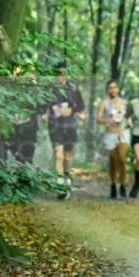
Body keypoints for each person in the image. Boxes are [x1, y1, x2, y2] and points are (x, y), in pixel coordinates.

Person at [47, 67, 86, 200]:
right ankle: (60, 186)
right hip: (55, 126)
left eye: (63, 74)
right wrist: (45, 114)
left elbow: (81, 106)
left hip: (70, 126)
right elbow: (43, 107)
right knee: (58, 155)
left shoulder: (73, 89)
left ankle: (66, 180)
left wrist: (72, 109)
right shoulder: (50, 90)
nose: (61, 77)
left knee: (67, 159)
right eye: (58, 74)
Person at [97, 80, 129, 199]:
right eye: (110, 88)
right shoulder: (104, 103)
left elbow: (129, 119)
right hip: (110, 134)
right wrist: (107, 121)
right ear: (107, 90)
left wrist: (126, 126)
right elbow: (98, 119)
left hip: (123, 134)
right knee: (112, 162)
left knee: (122, 159)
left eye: (115, 87)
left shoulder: (125, 103)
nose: (113, 90)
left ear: (118, 89)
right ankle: (113, 184)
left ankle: (122, 183)